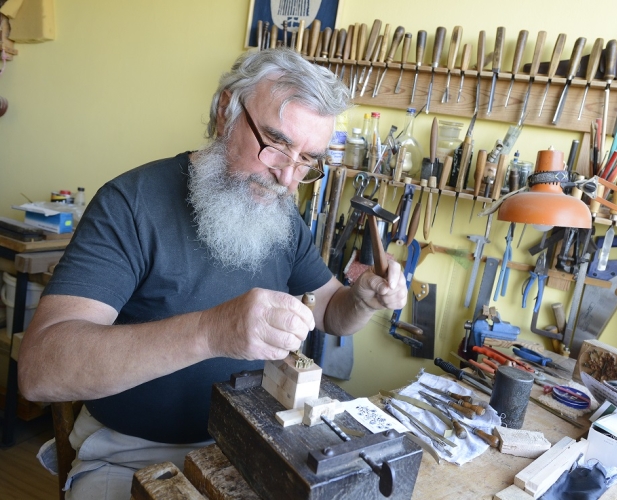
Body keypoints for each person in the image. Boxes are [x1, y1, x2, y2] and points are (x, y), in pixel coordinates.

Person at [18, 48, 407, 499]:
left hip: (254, 445)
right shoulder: (130, 204)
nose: (287, 179)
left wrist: (361, 299)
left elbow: (331, 312)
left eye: (307, 160)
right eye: (276, 144)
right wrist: (212, 331)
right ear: (226, 111)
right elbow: (40, 370)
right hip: (132, 453)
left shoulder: (280, 214)